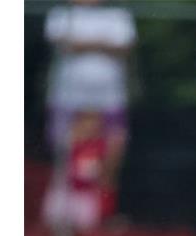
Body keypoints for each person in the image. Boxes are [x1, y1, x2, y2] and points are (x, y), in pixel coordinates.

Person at [44, 0, 134, 219]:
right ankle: (63, 213)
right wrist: (103, 44)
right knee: (66, 154)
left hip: (109, 97)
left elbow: (123, 47)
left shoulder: (118, 15)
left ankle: (103, 210)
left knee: (111, 153)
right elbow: (63, 44)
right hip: (69, 97)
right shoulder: (62, 14)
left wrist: (82, 44)